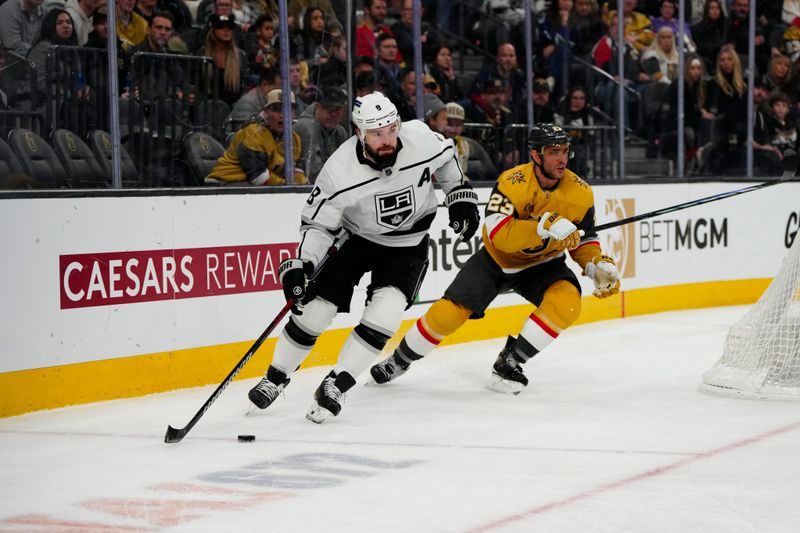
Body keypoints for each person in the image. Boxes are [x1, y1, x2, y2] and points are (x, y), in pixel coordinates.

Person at [247, 91, 480, 422]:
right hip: (356, 239)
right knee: (315, 311)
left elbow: (446, 159)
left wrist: (459, 194)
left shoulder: (420, 139)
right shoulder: (340, 171)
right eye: (376, 133)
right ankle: (275, 377)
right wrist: (304, 265)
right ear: (359, 133)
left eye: (390, 130)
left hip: (408, 244)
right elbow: (317, 225)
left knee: (385, 314)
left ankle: (336, 384)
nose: (386, 140)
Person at [370, 123, 621, 395]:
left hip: (543, 264)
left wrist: (595, 265)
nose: (561, 159)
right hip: (496, 260)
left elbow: (584, 238)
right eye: (553, 152)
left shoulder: (580, 193)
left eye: (565, 151)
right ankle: (399, 360)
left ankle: (510, 361)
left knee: (568, 302)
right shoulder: (512, 182)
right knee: (448, 314)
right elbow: (500, 235)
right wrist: (541, 227)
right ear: (536, 155)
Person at [205, 89, 308, 185]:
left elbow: (293, 170)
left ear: (294, 113)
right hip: (224, 184)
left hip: (248, 185)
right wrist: (287, 186)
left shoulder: (294, 139)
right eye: (276, 109)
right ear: (266, 112)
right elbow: (258, 177)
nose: (282, 115)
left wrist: (301, 181)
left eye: (288, 109)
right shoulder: (254, 134)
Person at [292, 84, 348, 181]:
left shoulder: (340, 132)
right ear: (318, 107)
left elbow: (347, 167)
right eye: (329, 108)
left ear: (344, 110)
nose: (333, 114)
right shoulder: (307, 128)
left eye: (338, 109)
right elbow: (313, 174)